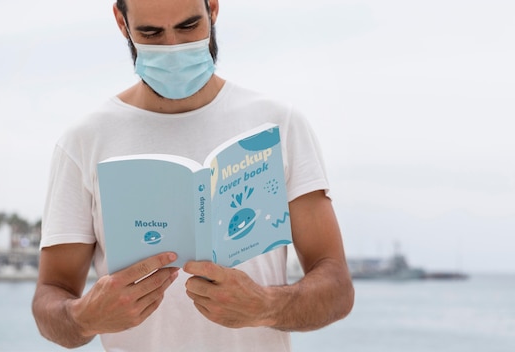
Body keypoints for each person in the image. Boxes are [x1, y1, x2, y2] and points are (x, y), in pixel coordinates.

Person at [32, 1, 354, 351]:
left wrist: (266, 306)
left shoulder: (278, 125)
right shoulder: (85, 140)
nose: (173, 48)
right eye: (151, 34)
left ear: (212, 9)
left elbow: (337, 289)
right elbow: (51, 298)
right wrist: (83, 318)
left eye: (188, 27)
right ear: (122, 23)